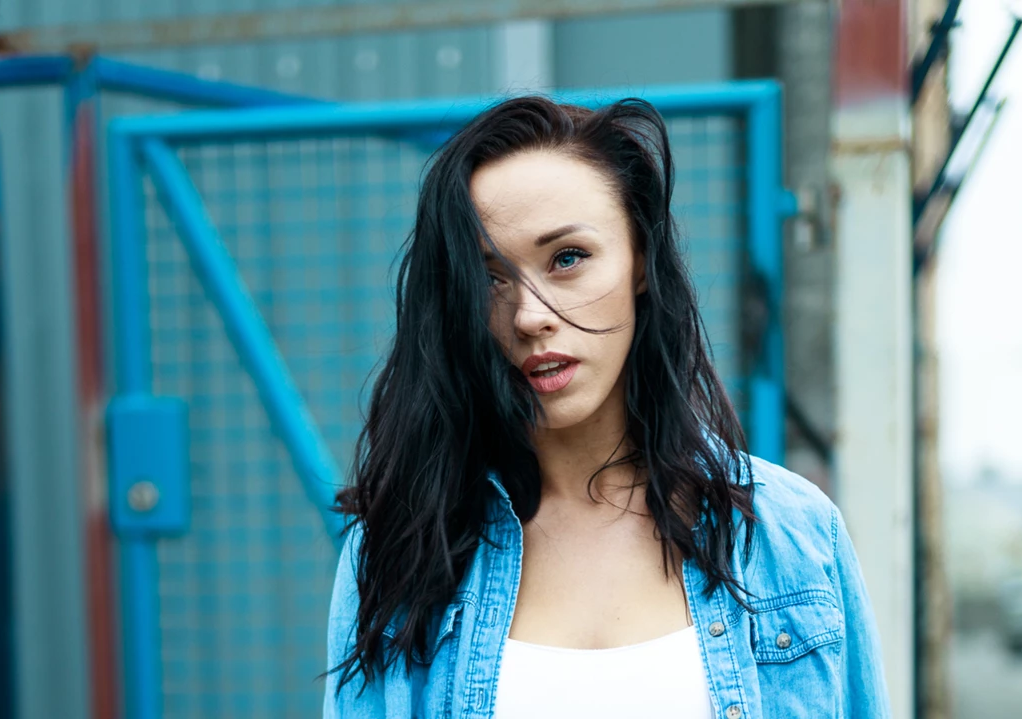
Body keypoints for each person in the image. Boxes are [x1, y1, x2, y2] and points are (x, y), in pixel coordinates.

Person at [321, 96, 890, 718]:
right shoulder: (401, 550)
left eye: (567, 258)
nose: (530, 316)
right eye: (490, 279)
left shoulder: (794, 534)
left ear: (640, 260)